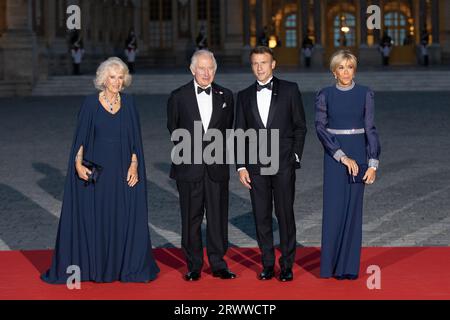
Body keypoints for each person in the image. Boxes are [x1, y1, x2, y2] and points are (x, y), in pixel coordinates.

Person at [41, 57, 160, 284]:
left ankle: (121, 268)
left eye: (120, 77)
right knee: (97, 219)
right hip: (98, 175)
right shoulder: (90, 104)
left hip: (123, 172)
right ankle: (96, 268)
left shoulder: (130, 103)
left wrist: (134, 166)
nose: (116, 81)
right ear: (103, 79)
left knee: (122, 217)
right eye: (112, 77)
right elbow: (81, 140)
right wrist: (77, 164)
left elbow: (135, 141)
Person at [235, 46, 307, 282]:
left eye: (263, 63)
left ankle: (287, 265)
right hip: (255, 166)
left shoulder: (290, 90)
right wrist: (241, 166)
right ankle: (267, 263)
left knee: (285, 214)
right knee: (261, 216)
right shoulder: (244, 95)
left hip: (284, 163)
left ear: (273, 64)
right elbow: (239, 133)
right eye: (255, 63)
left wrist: (295, 155)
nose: (259, 68)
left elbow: (300, 126)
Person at [167, 50, 235, 281]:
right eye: (202, 68)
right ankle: (193, 265)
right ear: (192, 69)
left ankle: (218, 264)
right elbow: (174, 130)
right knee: (191, 218)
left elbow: (229, 130)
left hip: (217, 168)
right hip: (189, 169)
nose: (206, 73)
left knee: (218, 217)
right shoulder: (178, 96)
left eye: (211, 68)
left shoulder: (227, 95)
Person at [315, 50, 380, 280]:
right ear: (334, 71)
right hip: (335, 157)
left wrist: (372, 164)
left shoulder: (365, 94)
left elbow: (370, 129)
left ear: (355, 69)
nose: (345, 72)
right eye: (341, 67)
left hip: (359, 156)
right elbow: (321, 129)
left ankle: (348, 267)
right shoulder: (325, 95)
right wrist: (341, 156)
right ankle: (329, 266)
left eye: (349, 67)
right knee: (333, 210)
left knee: (353, 211)